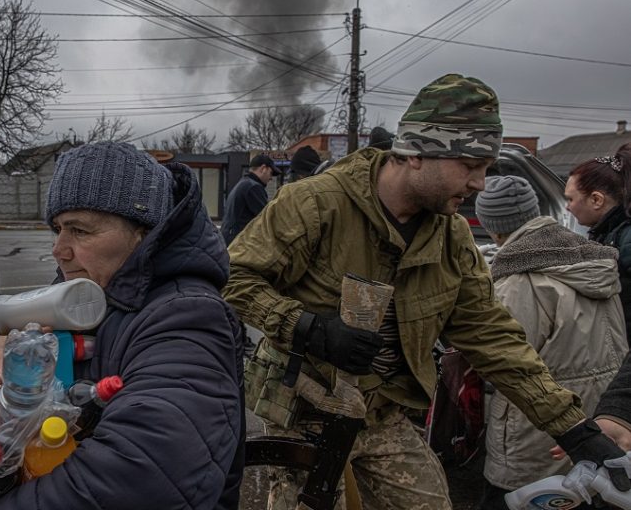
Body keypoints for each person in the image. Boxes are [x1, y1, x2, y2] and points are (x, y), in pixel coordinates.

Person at [223, 73, 629, 510]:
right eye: (470, 167)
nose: (479, 184)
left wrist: (575, 430)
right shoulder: (315, 204)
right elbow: (232, 278)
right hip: (306, 415)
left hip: (383, 417)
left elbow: (495, 339)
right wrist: (305, 327)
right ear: (416, 154)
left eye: (485, 169)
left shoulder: (451, 237)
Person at [0, 142, 244, 509]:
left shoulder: (188, 317)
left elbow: (145, 477)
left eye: (79, 230)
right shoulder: (92, 295)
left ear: (143, 233)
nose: (59, 249)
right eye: (58, 228)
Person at [474, 175, 627, 510]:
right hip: (601, 420)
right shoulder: (594, 260)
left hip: (538, 431)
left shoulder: (518, 281)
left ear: (493, 227)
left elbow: (503, 358)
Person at [565, 144, 631, 344]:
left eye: (570, 199)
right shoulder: (608, 233)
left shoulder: (626, 238)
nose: (567, 208)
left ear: (596, 200)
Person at [220, 153, 281, 245]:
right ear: (263, 168)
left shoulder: (244, 183)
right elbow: (267, 218)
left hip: (230, 240)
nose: (271, 178)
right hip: (239, 243)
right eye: (271, 173)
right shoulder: (253, 187)